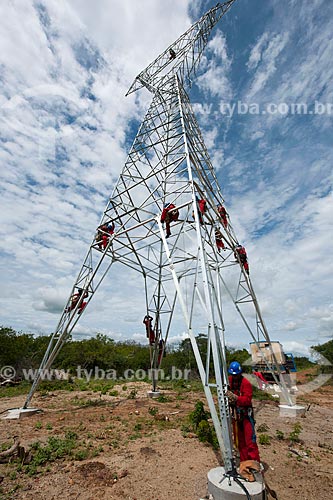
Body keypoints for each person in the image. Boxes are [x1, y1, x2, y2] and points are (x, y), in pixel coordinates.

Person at [226, 361, 260, 464]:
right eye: (233, 375)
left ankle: (254, 463)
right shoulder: (229, 381)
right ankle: (244, 462)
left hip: (246, 415)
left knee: (250, 441)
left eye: (236, 375)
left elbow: (247, 399)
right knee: (240, 442)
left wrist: (236, 398)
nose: (234, 377)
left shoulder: (245, 383)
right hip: (236, 416)